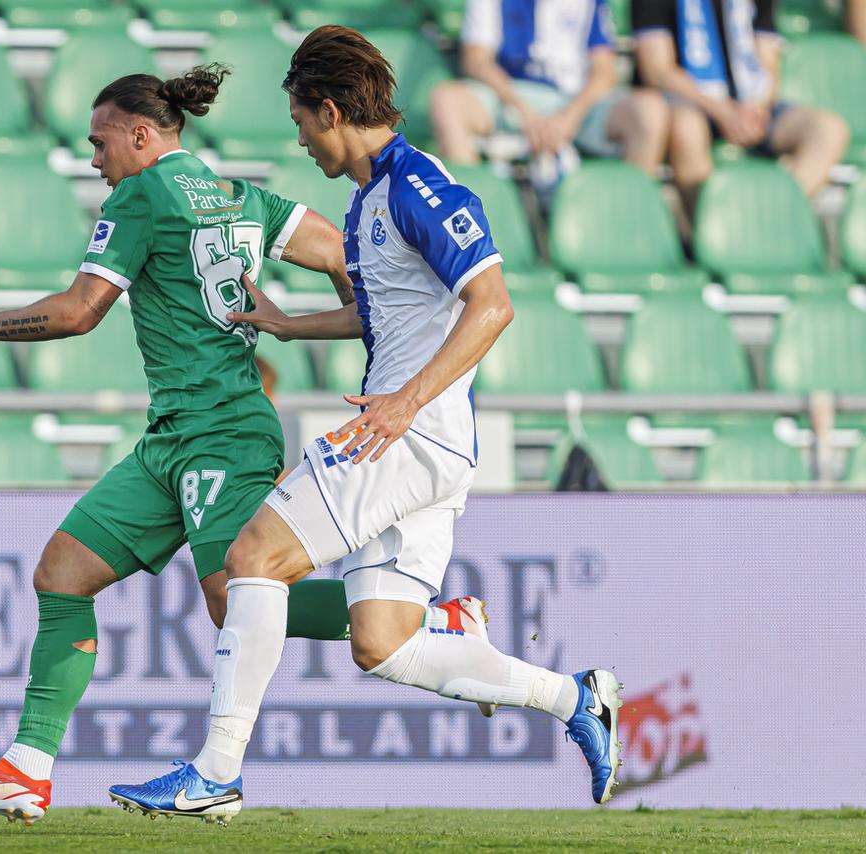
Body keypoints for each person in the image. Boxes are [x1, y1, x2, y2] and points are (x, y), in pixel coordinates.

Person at [0, 66, 484, 825]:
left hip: (220, 431)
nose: (95, 160)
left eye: (101, 141)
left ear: (142, 135)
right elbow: (350, 265)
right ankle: (27, 769)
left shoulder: (141, 194)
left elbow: (84, 310)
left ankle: (436, 624)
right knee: (63, 572)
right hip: (173, 439)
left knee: (235, 598)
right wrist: (345, 322)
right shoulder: (242, 197)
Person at [111, 26, 623, 825]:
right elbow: (380, 313)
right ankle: (575, 699)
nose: (301, 140)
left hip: (403, 435)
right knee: (383, 643)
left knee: (252, 556)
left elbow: (493, 305)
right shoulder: (368, 202)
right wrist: (287, 326)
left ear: (331, 110)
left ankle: (214, 774)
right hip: (422, 440)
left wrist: (406, 401)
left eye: (303, 124)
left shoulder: (419, 186)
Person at [633, 0, 850, 208]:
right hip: (691, 102)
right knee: (686, 128)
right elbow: (657, 71)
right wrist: (722, 111)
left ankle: (775, 219)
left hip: (749, 105)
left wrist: (756, 107)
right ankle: (709, 226)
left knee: (828, 129)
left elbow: (769, 62)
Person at [430, 0, 669, 179]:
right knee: (446, 102)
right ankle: (468, 224)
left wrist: (570, 117)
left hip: (575, 101)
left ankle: (629, 224)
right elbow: (476, 61)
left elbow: (604, 71)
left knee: (649, 110)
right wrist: (524, 112)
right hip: (510, 95)